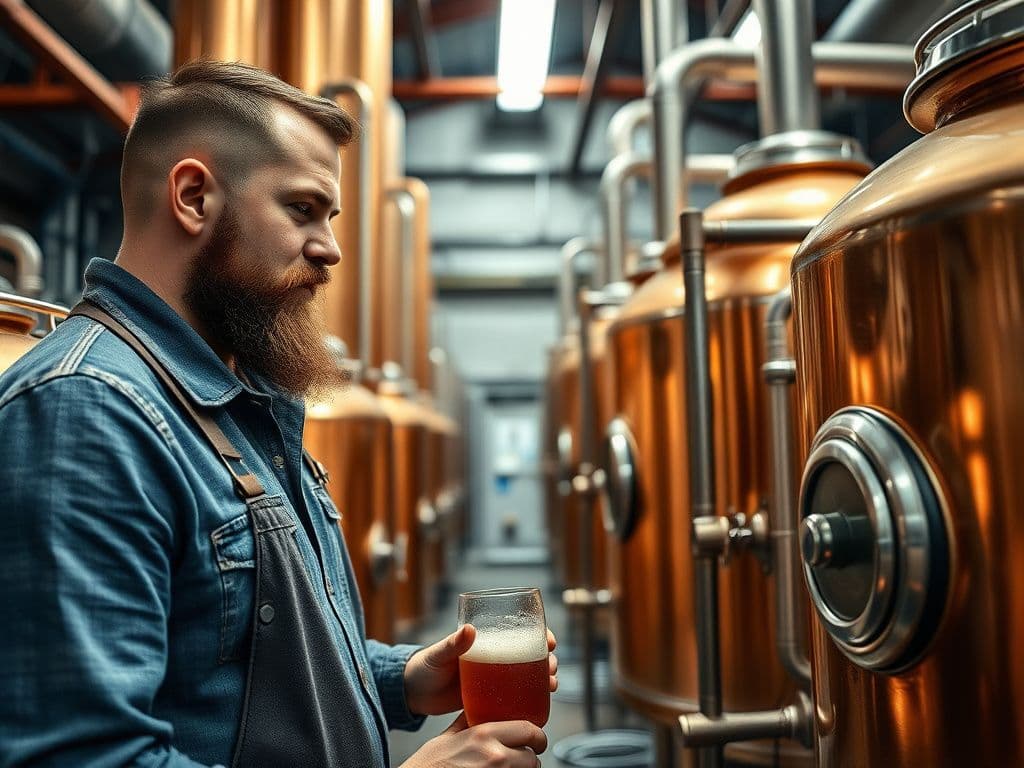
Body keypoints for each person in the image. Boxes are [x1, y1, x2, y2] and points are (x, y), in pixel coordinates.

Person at [0, 60, 555, 768]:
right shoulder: (88, 411)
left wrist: (404, 679)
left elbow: (241, 659)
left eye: (330, 217)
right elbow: (86, 757)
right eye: (302, 209)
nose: (332, 249)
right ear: (194, 197)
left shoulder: (239, 399)